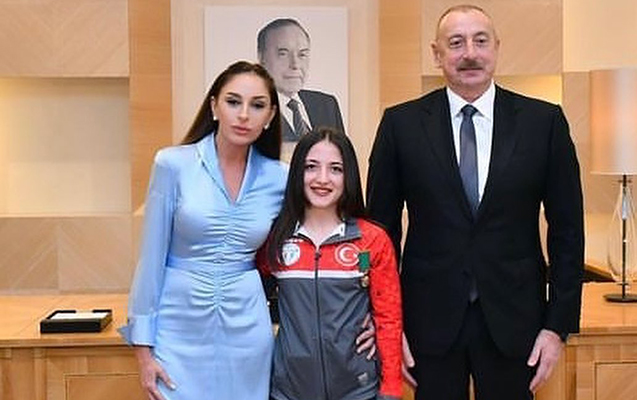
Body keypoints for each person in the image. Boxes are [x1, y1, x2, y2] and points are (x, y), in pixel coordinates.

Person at [366, 5, 584, 400]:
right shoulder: (401, 125)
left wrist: (557, 327)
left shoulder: (543, 122)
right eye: (456, 43)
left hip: (517, 324)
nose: (470, 53)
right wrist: (388, 325)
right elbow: (379, 236)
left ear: (496, 48)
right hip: (427, 324)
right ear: (437, 54)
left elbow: (568, 231)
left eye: (480, 41)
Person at [119, 61, 287, 400]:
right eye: (233, 102)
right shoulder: (172, 164)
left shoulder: (280, 177)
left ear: (270, 116)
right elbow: (150, 259)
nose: (243, 115)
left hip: (248, 328)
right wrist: (143, 351)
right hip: (177, 325)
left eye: (257, 106)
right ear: (214, 106)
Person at [258, 128, 403, 400]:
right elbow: (247, 296)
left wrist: (391, 389)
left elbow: (389, 318)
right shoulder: (275, 238)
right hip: (289, 390)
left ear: (348, 176)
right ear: (297, 173)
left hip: (358, 390)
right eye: (311, 167)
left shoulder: (372, 239)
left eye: (335, 169)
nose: (322, 179)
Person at [257, 18, 345, 142]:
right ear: (261, 58)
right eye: (283, 54)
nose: (295, 64)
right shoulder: (252, 111)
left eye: (302, 54)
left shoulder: (327, 105)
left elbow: (342, 153)